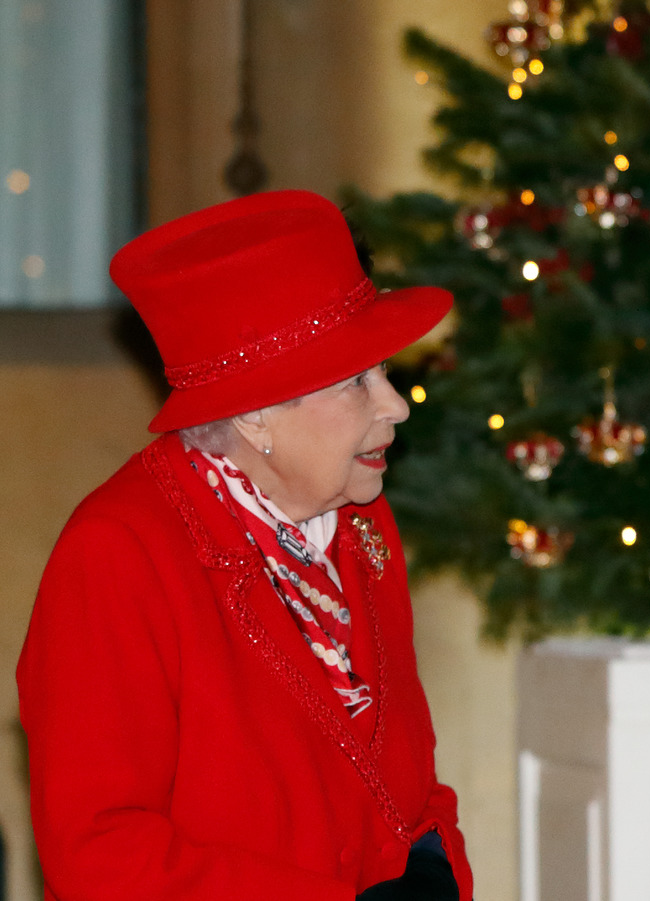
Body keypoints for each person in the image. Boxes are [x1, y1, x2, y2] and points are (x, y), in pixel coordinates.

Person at [18, 189, 472, 900]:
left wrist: (433, 870)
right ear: (258, 411)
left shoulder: (358, 521)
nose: (396, 404)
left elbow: (405, 787)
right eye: (358, 379)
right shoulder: (118, 554)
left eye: (383, 370)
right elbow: (100, 854)